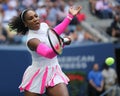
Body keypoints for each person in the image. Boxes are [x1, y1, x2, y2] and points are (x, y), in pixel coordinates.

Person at [8, 6, 82, 96]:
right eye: (30, 18)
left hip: (53, 71)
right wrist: (63, 42)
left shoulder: (44, 25)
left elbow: (55, 32)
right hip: (37, 74)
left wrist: (69, 16)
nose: (35, 19)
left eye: (36, 16)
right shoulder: (31, 40)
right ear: (25, 24)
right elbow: (48, 54)